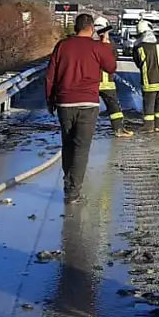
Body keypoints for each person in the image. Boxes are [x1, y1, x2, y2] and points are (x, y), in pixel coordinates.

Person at [45, 12, 118, 204]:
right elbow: (111, 67)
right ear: (92, 28)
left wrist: (49, 100)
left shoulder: (62, 46)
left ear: (76, 27)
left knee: (67, 144)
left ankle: (68, 183)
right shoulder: (98, 47)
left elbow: (50, 75)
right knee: (81, 148)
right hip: (88, 104)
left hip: (65, 103)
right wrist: (106, 44)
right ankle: (73, 191)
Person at [92, 17, 134, 138]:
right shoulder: (109, 44)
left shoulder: (88, 44)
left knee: (89, 107)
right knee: (114, 107)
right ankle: (119, 129)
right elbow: (114, 58)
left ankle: (84, 130)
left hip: (92, 82)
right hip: (106, 82)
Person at [131, 19, 159, 133]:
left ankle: (148, 126)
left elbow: (138, 63)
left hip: (150, 81)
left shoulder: (138, 47)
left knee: (149, 105)